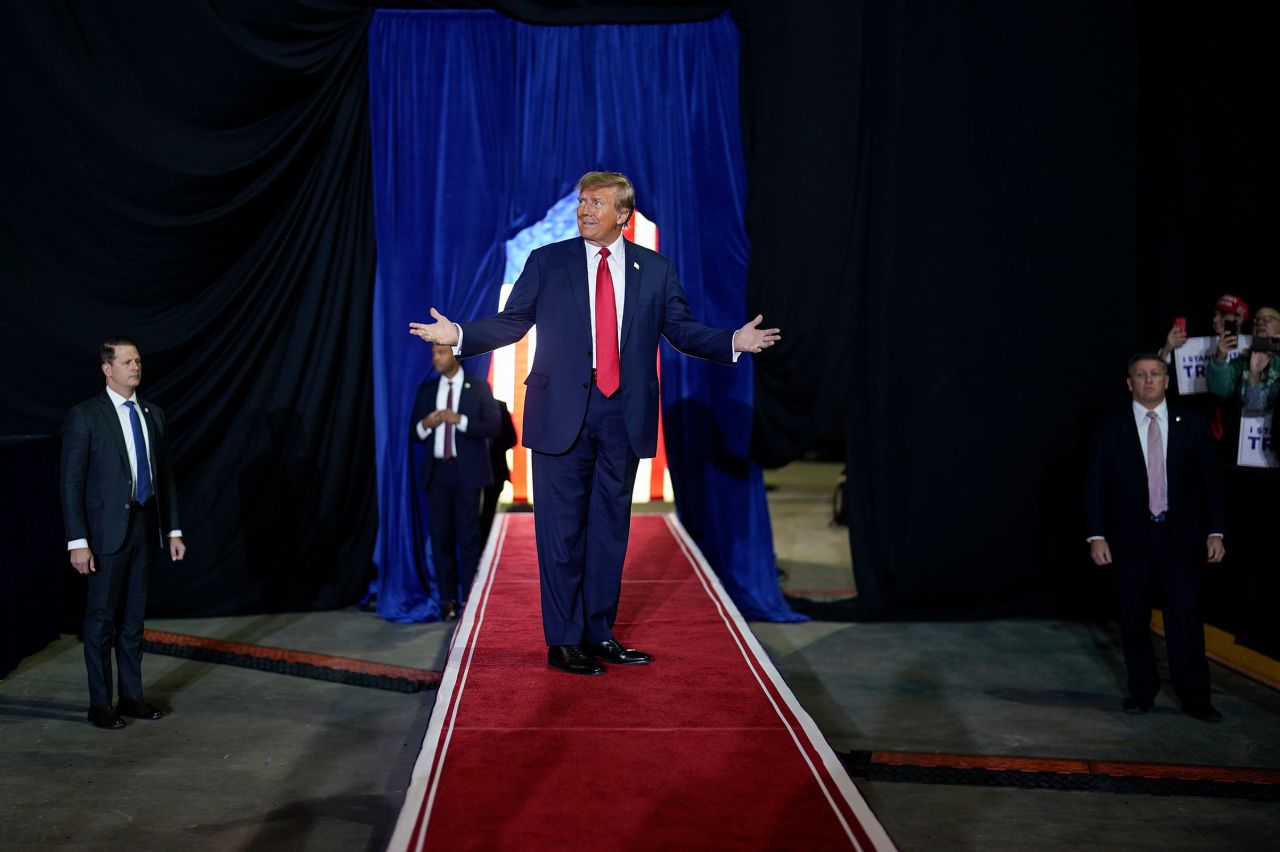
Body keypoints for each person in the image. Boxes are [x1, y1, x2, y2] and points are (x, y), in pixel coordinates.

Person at [409, 171, 779, 675]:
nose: (584, 210)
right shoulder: (547, 261)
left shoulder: (654, 268)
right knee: (560, 534)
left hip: (623, 414)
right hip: (561, 412)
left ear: (623, 214)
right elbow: (511, 322)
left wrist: (732, 341)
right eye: (582, 202)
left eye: (596, 203)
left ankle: (599, 633)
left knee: (610, 533)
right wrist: (457, 333)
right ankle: (564, 642)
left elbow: (682, 330)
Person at [1085, 353, 1225, 721]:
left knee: (1185, 619)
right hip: (1130, 540)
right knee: (1133, 619)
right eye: (1140, 375)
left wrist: (1215, 530)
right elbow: (1094, 484)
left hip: (1181, 540)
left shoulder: (1193, 424)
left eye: (1155, 374)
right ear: (1129, 383)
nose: (1149, 381)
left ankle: (1196, 698)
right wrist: (1096, 536)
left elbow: (1210, 483)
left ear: (1167, 380)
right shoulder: (1110, 428)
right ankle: (1142, 692)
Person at [60, 337, 185, 729]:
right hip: (104, 535)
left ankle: (131, 695)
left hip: (144, 528)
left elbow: (164, 478)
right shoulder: (86, 416)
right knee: (100, 620)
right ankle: (101, 702)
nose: (136, 367)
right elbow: (71, 484)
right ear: (107, 369)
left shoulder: (153, 414)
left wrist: (173, 530)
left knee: (133, 619)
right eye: (128, 361)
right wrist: (77, 541)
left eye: (138, 361)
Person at [411, 343, 500, 619]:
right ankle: (448, 601)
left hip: (468, 475)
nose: (436, 359)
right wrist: (427, 423)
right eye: (434, 354)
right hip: (438, 474)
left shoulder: (478, 387)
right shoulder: (428, 390)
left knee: (469, 538)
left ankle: (471, 600)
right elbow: (414, 432)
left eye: (441, 353)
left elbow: (493, 428)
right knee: (440, 539)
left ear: (455, 354)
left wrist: (458, 419)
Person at [1206, 305, 1280, 414]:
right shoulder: (1244, 361)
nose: (1259, 323)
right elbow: (1220, 390)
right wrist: (1220, 358)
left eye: (1267, 319)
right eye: (1255, 320)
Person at [480, 399, 519, 539]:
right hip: (471, 471)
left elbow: (512, 438)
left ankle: (486, 548)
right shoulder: (464, 405)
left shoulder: (499, 406)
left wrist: (492, 446)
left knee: (488, 513)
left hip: (495, 470)